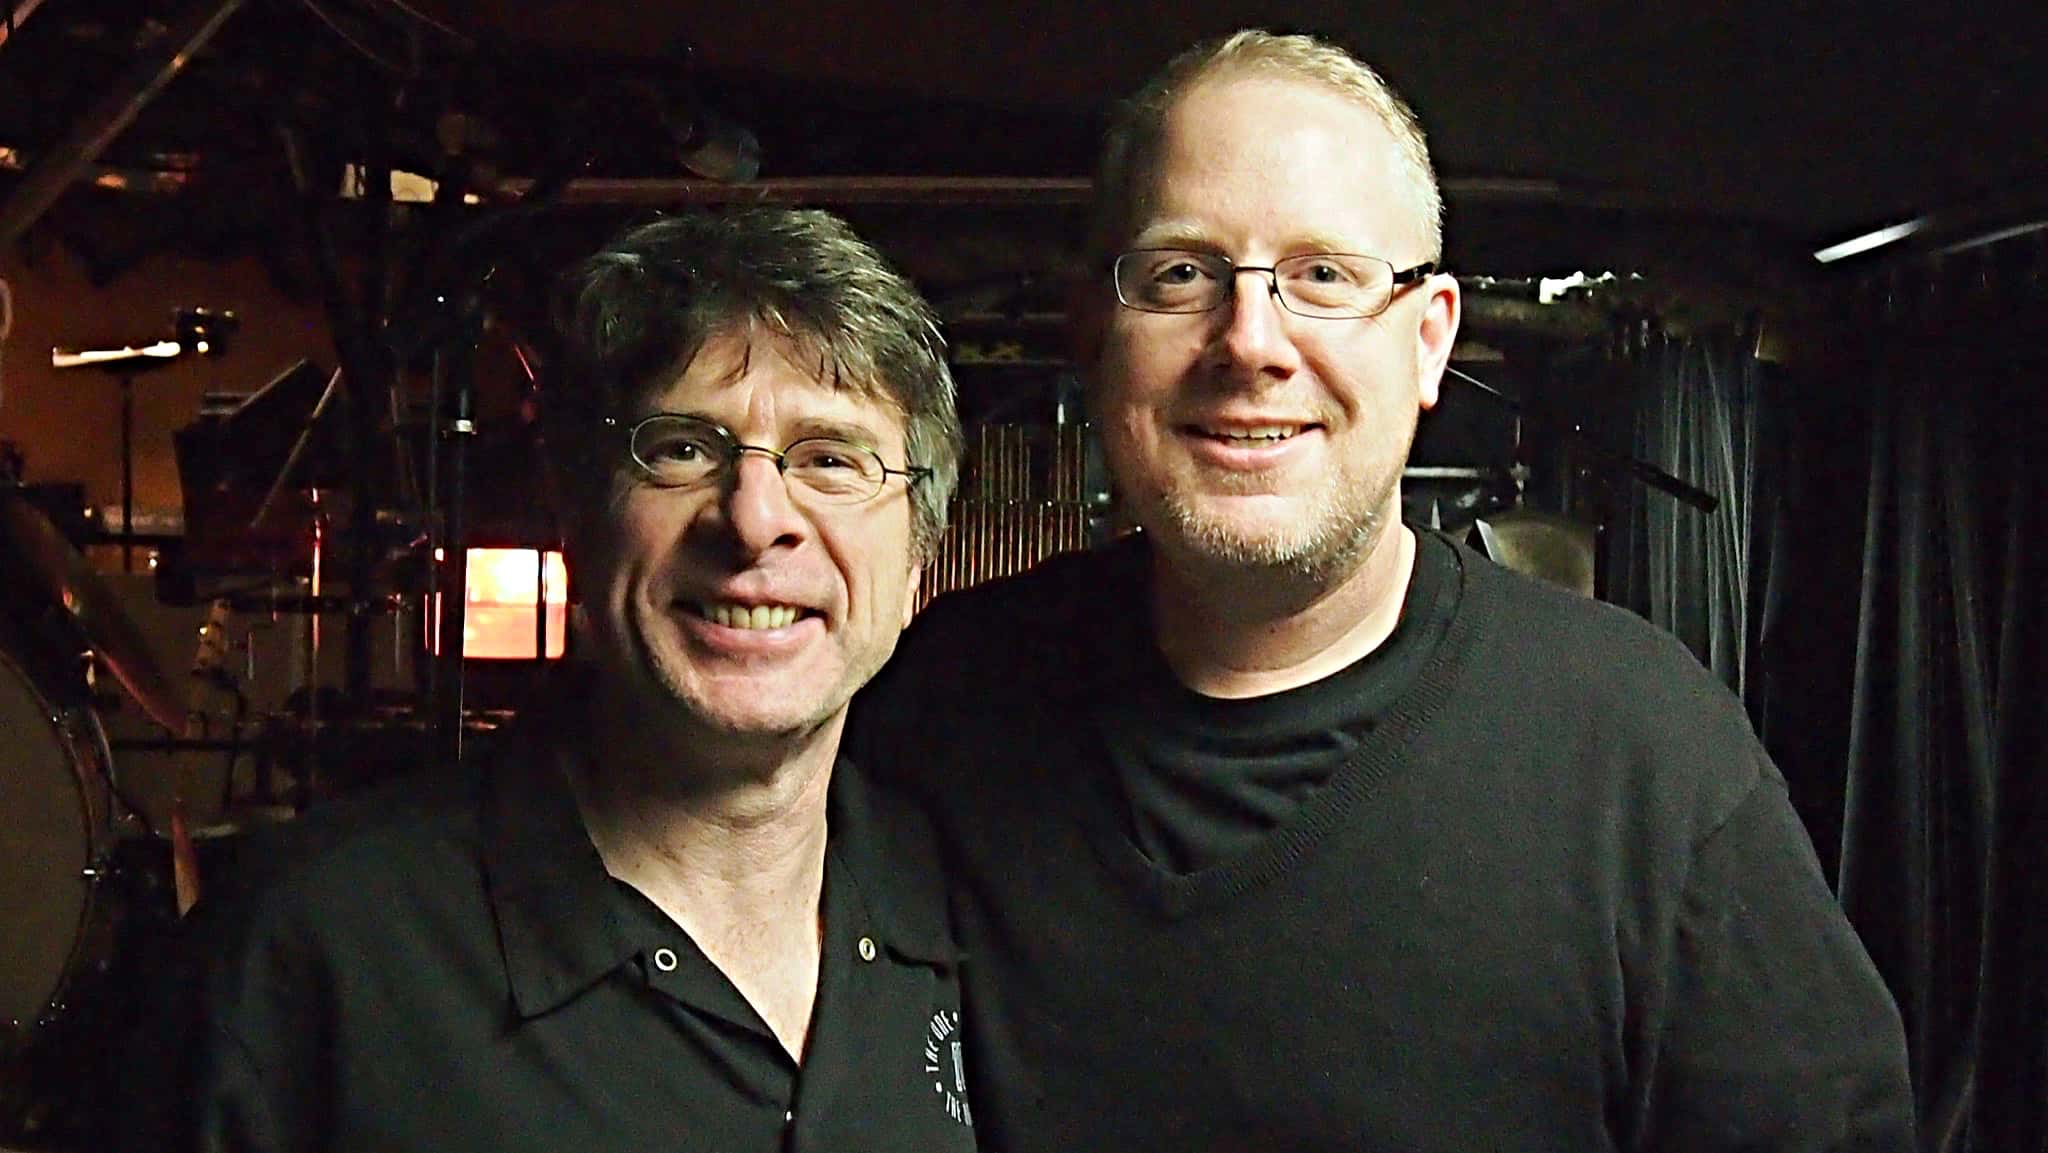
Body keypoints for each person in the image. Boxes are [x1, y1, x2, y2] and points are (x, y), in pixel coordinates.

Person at [849, 29, 1915, 1152]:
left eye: (1323, 276)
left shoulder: (1643, 756)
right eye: (1179, 274)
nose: (1249, 340)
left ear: (1425, 341)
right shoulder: (937, 703)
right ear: (1094, 330)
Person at [126, 208, 975, 1152]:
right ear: (576, 519)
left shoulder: (976, 919)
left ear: (915, 566)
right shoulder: (307, 951)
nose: (754, 517)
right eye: (684, 446)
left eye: (830, 459)